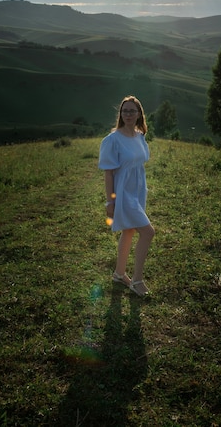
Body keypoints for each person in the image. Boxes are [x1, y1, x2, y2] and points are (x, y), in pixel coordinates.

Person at [98, 95, 155, 296]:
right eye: (125, 111)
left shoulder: (140, 136)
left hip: (138, 190)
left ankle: (119, 274)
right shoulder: (112, 140)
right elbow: (108, 172)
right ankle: (137, 280)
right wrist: (110, 201)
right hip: (123, 192)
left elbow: (139, 163)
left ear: (139, 114)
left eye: (132, 111)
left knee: (129, 231)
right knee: (148, 232)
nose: (128, 114)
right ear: (120, 114)